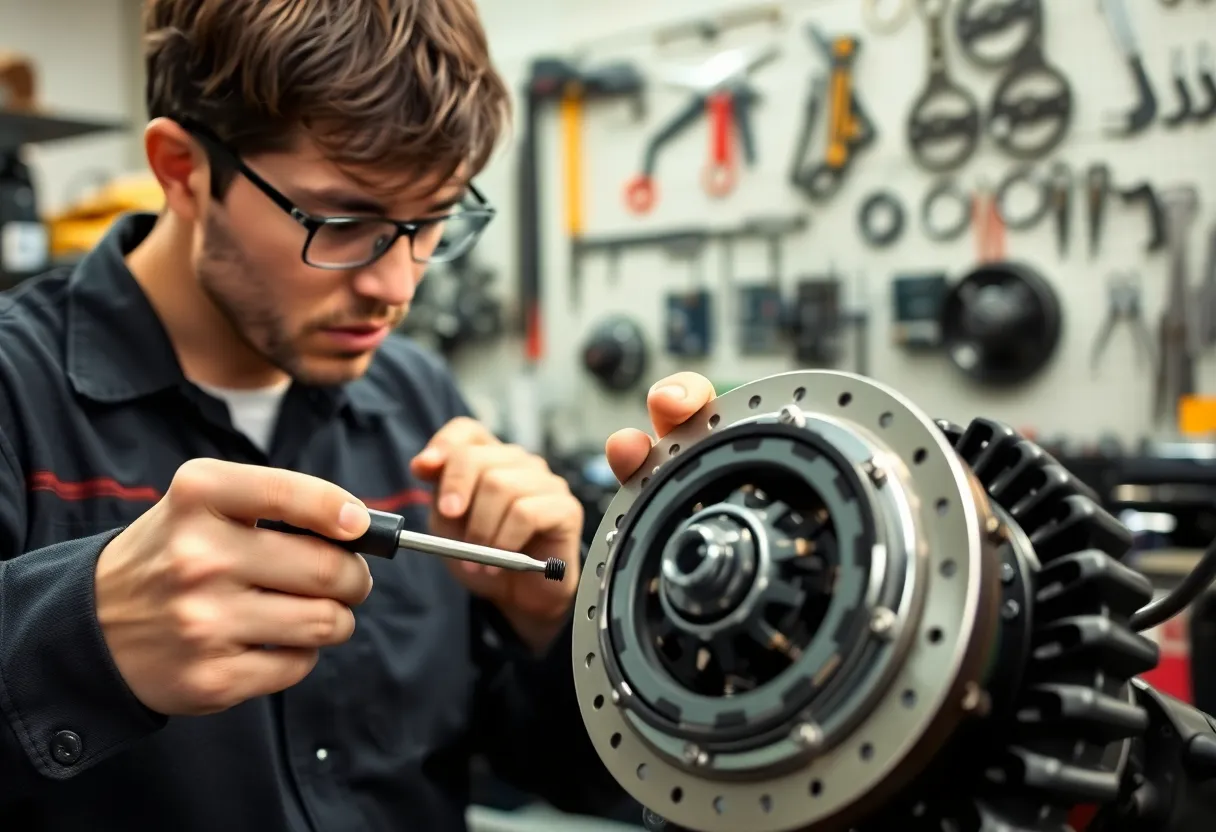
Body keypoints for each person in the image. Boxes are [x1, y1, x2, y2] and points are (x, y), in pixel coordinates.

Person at [0, 1, 719, 829]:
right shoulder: (15, 401)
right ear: (182, 169)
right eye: (345, 223)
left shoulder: (421, 404)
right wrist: (73, 647)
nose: (398, 288)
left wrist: (561, 626)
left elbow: (570, 772)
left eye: (433, 220)